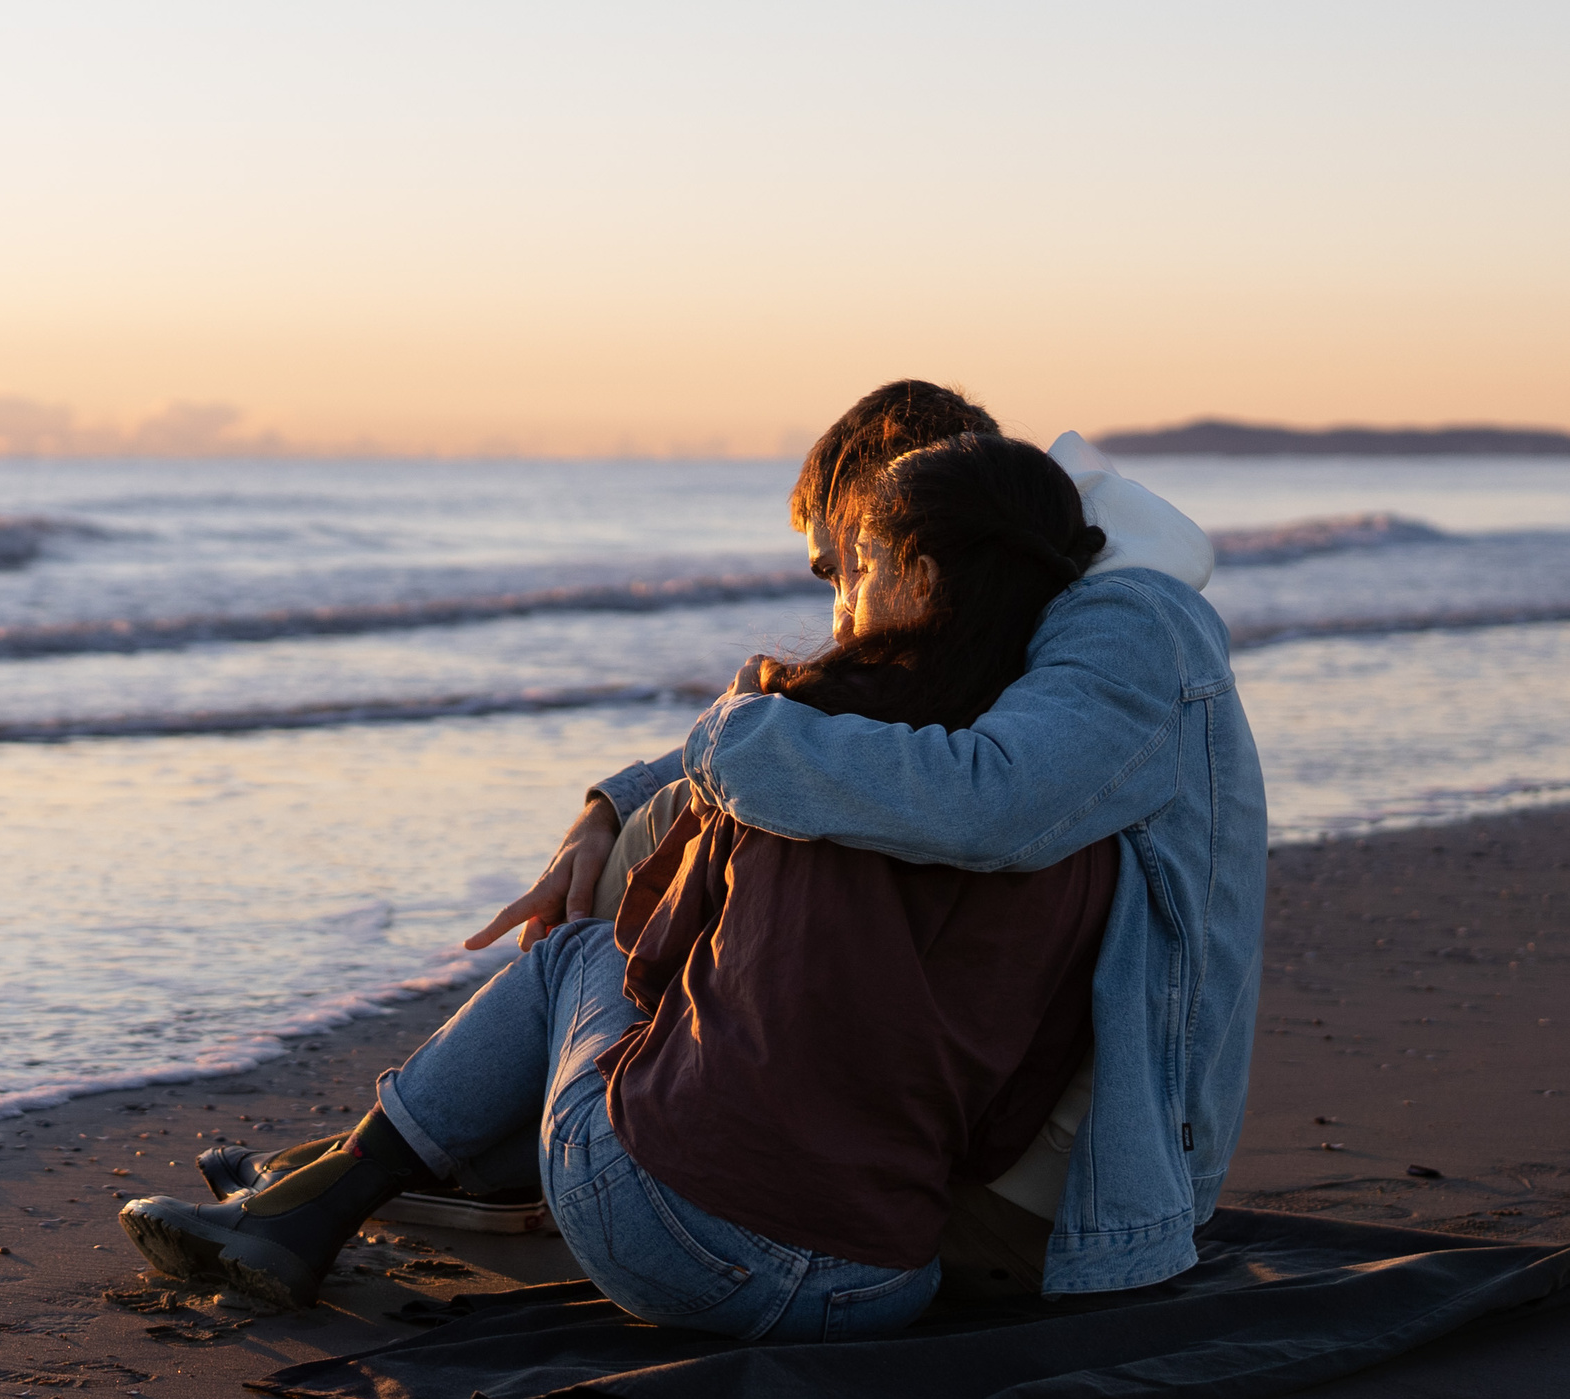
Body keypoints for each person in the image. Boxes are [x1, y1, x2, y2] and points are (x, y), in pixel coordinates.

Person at [118, 433, 1127, 1337]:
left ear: (913, 572)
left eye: (852, 568)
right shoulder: (1073, 814)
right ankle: (328, 1186)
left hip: (683, 1251)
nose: (840, 603)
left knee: (575, 958)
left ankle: (322, 1201)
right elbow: (1003, 1115)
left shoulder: (798, 743)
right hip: (881, 1281)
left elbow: (649, 956)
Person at [471, 382, 1261, 1299]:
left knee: (682, 872)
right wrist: (605, 810)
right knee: (693, 827)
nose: (843, 605)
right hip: (1007, 1125)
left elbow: (991, 802)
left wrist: (728, 736)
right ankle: (535, 1139)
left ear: (913, 530)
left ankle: (590, 1151)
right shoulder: (1028, 618)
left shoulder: (1125, 621)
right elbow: (830, 728)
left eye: (842, 565)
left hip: (1081, 1178)